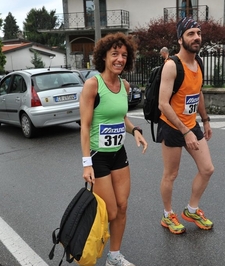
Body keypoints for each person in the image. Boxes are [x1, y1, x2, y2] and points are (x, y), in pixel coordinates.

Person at [79, 32, 148, 266]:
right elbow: (85, 126)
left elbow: (121, 119)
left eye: (124, 55)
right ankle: (84, 246)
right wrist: (86, 162)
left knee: (123, 206)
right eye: (115, 54)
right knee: (109, 211)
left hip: (119, 153)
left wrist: (135, 130)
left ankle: (114, 257)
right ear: (104, 57)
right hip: (98, 157)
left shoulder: (124, 85)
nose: (120, 59)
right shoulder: (92, 85)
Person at [157, 17, 214, 234]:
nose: (196, 37)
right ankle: (167, 214)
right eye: (190, 33)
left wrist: (205, 120)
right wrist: (185, 131)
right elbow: (163, 104)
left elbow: (197, 93)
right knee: (171, 174)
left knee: (207, 169)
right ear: (180, 39)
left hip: (191, 124)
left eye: (198, 33)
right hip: (172, 126)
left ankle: (191, 209)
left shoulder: (198, 63)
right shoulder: (172, 65)